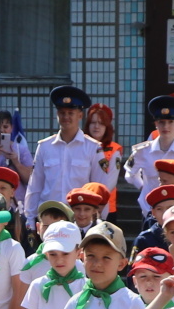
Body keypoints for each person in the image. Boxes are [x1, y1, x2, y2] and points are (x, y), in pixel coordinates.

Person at [22, 87, 109, 230]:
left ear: (80, 115)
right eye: (62, 113)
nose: (66, 117)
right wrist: (30, 218)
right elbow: (35, 186)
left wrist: (99, 221)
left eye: (71, 113)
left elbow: (100, 188)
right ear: (57, 114)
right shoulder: (44, 146)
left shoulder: (93, 148)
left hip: (79, 219)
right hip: (49, 218)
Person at [127, 96, 174, 220]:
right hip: (151, 212)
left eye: (171, 122)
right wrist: (143, 187)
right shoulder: (143, 151)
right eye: (161, 122)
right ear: (156, 124)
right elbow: (130, 174)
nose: (166, 126)